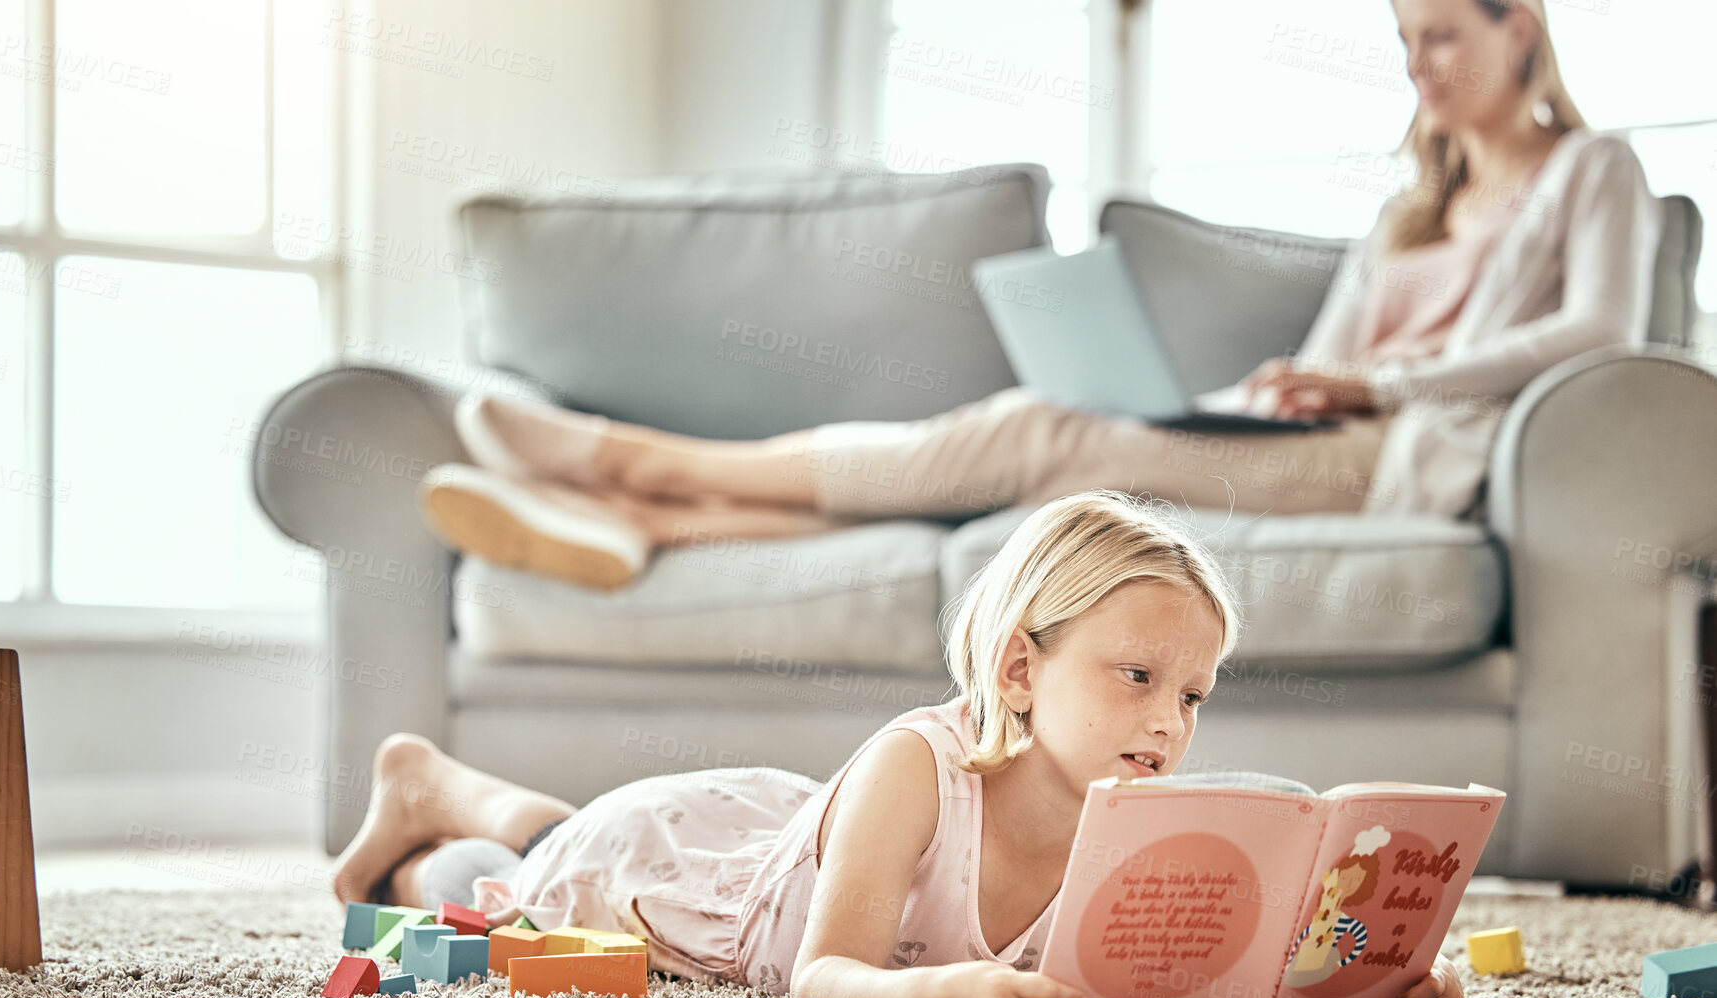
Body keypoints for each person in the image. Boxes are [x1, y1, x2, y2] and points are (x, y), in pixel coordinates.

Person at [414, 0, 1661, 591]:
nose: (1419, 65)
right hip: (1310, 434)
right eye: (1403, 41)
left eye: (1443, 34)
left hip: (1402, 460)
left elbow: (1602, 334)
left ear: (1520, 28)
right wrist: (1243, 397)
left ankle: (633, 462)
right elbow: (1326, 359)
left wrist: (1371, 383)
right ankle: (651, 523)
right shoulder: (1406, 208)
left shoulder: (1589, 169)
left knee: (1029, 429)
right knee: (1047, 461)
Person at [331, 490, 1465, 998]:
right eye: (1134, 676)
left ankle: (439, 781)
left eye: (1191, 694)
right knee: (520, 881)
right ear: (1019, 668)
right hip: (683, 869)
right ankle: (430, 799)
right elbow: (822, 975)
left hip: (788, 829)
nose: (1168, 718)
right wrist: (925, 997)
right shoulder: (917, 766)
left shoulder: (1146, 823)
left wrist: (1382, 984)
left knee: (554, 839)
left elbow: (1240, 980)